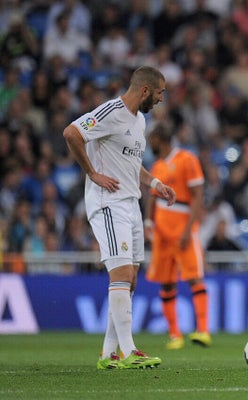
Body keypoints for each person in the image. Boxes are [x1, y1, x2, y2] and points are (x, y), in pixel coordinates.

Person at [63, 66, 175, 370]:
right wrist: (93, 173)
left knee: (131, 280)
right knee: (121, 275)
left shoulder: (139, 121)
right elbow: (72, 133)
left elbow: (130, 164)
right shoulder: (111, 111)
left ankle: (108, 353)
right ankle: (129, 351)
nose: (162, 99)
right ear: (145, 90)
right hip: (109, 203)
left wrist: (154, 184)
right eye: (160, 92)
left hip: (131, 203)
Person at [144, 123, 211, 350]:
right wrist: (148, 222)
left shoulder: (187, 159)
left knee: (194, 277)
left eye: (151, 138)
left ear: (159, 139)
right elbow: (153, 197)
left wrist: (189, 229)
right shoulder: (158, 165)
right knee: (167, 283)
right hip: (162, 234)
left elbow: (198, 196)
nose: (148, 143)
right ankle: (175, 335)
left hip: (183, 231)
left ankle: (202, 331)